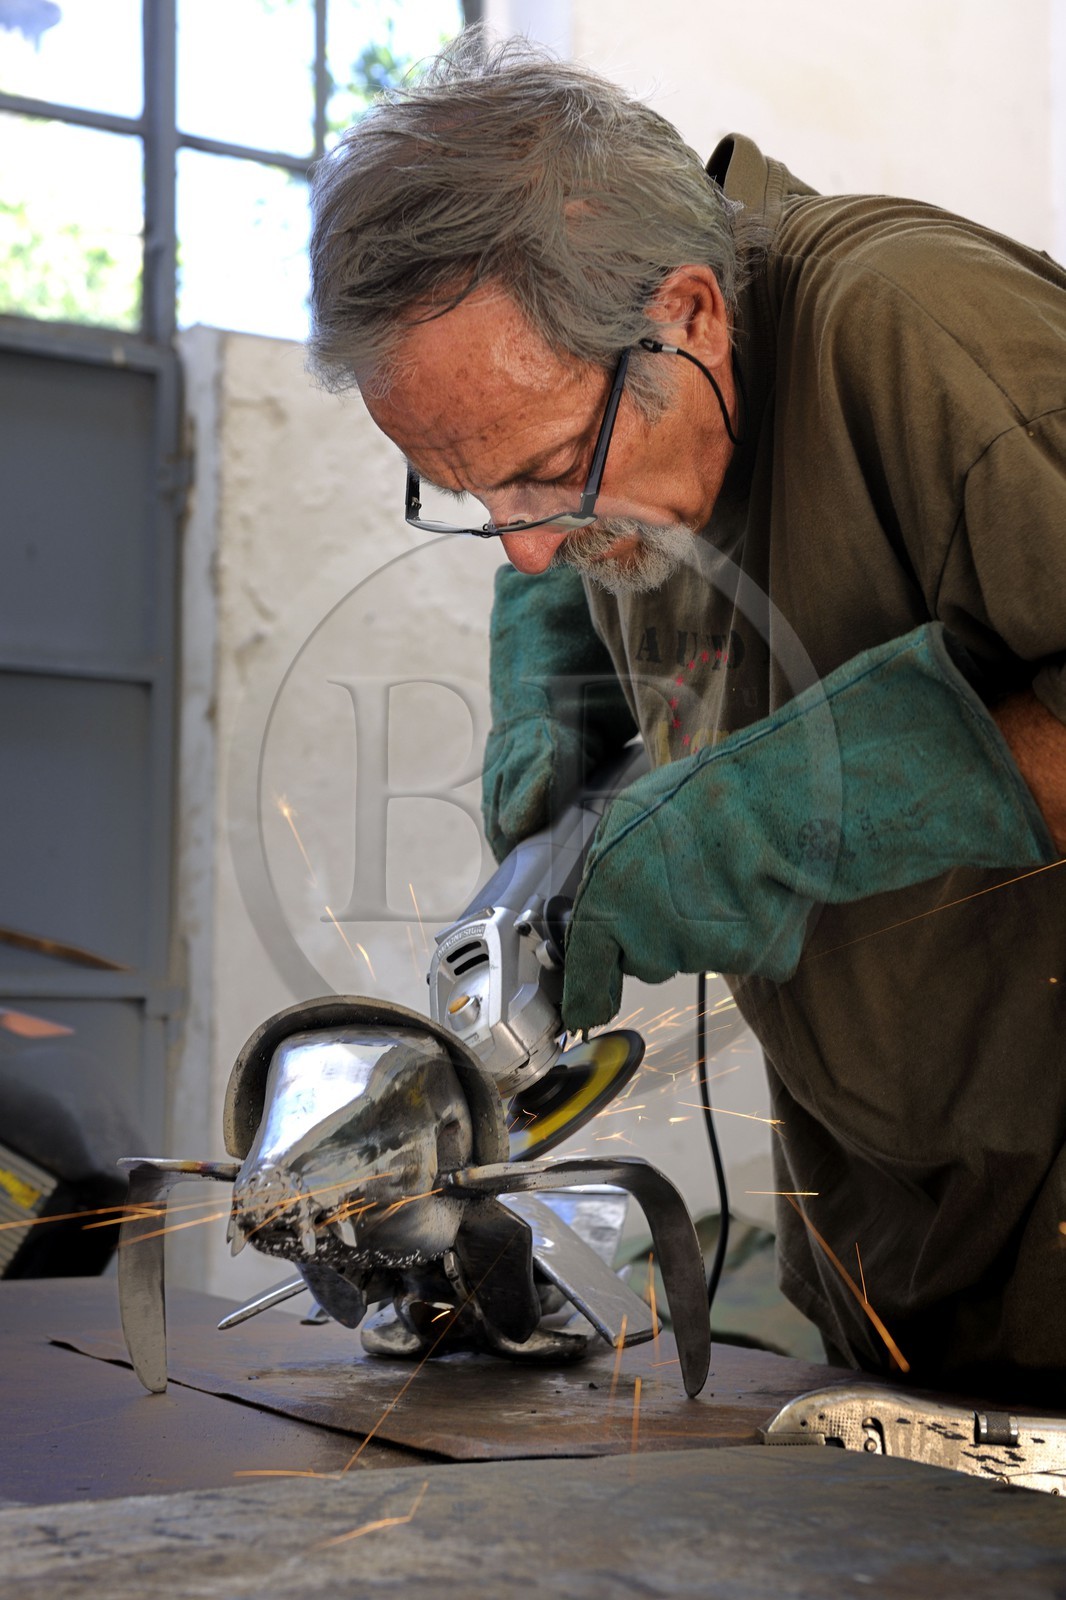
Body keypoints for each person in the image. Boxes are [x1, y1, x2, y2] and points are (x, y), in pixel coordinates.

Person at [307, 32, 1066, 1401]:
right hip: (894, 1251)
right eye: (469, 496)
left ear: (692, 318)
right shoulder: (644, 438)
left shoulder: (920, 334)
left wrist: (756, 820)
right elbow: (590, 591)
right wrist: (560, 749)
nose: (522, 543)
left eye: (544, 475)